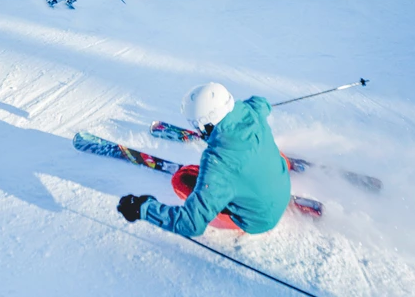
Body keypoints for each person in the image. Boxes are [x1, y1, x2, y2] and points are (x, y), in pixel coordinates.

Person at [117, 83, 292, 236]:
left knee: (181, 179)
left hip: (257, 221)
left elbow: (191, 224)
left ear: (205, 123)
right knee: (264, 152)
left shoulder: (217, 163)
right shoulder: (251, 111)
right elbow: (262, 103)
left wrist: (143, 209)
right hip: (281, 183)